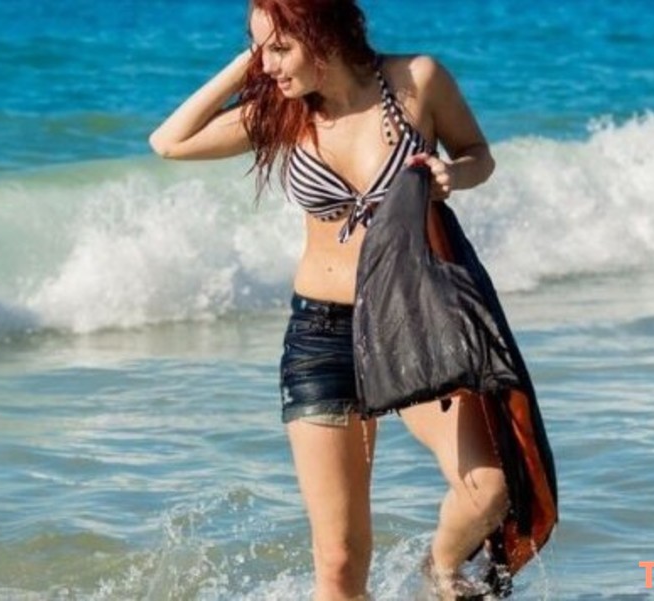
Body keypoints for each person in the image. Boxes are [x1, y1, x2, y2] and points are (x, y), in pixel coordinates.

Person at [149, 1, 506, 598]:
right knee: (340, 561)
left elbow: (477, 153)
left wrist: (454, 175)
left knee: (488, 490)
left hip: (411, 322)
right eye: (259, 49)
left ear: (324, 34)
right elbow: (169, 141)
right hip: (321, 335)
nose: (269, 66)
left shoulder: (417, 80)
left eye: (280, 48)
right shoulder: (279, 111)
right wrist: (251, 61)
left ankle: (440, 568)